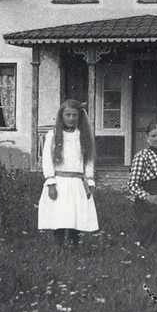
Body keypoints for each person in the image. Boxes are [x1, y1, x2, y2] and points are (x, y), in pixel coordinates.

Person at [38, 99, 99, 246]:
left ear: (79, 117)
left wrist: (89, 180)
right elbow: (47, 159)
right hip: (60, 181)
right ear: (61, 116)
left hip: (77, 182)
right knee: (59, 215)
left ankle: (74, 246)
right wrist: (51, 182)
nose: (71, 118)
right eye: (68, 115)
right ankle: (59, 247)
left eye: (74, 115)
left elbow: (88, 160)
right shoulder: (52, 135)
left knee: (75, 215)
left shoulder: (83, 135)